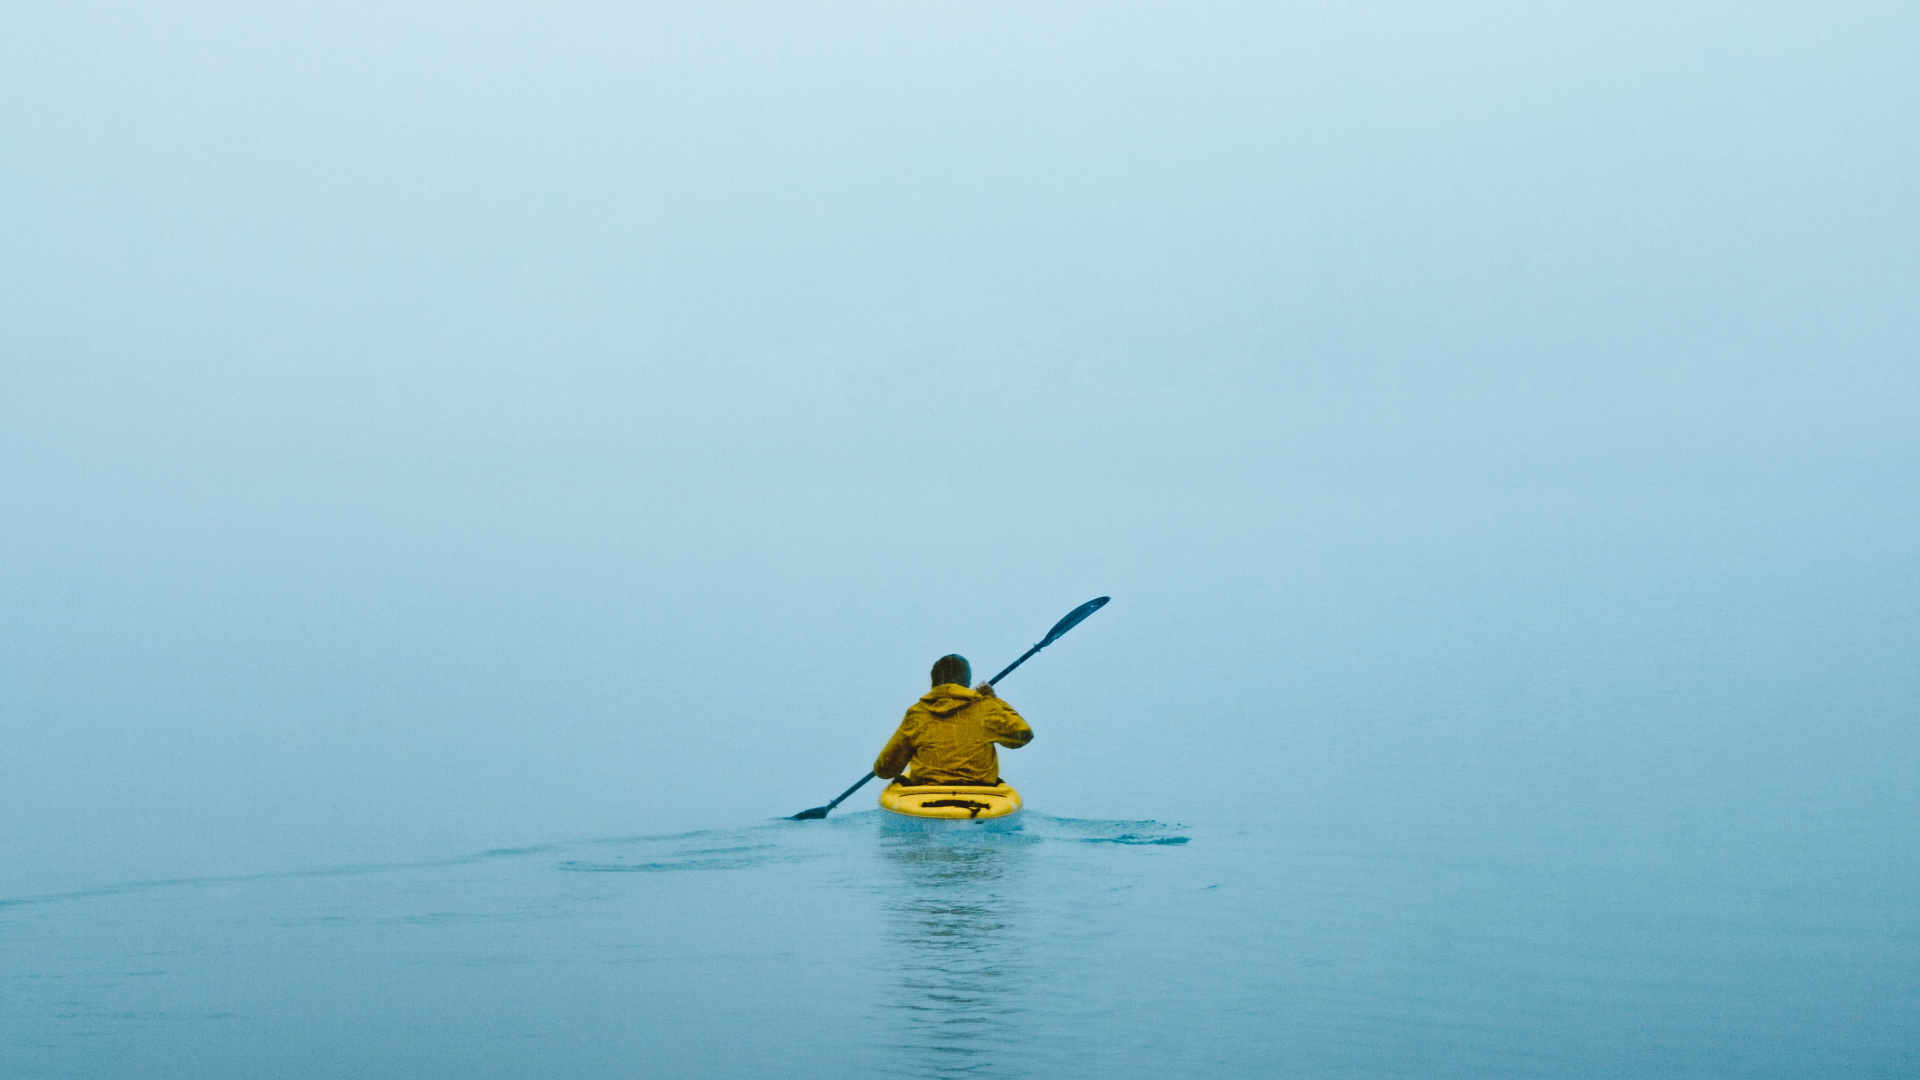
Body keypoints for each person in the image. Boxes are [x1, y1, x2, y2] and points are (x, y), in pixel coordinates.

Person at [873, 654, 1033, 787]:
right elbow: (1023, 735)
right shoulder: (986, 707)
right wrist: (993, 698)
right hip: (980, 796)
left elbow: (885, 770)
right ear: (966, 683)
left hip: (926, 798)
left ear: (933, 683)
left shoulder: (917, 714)